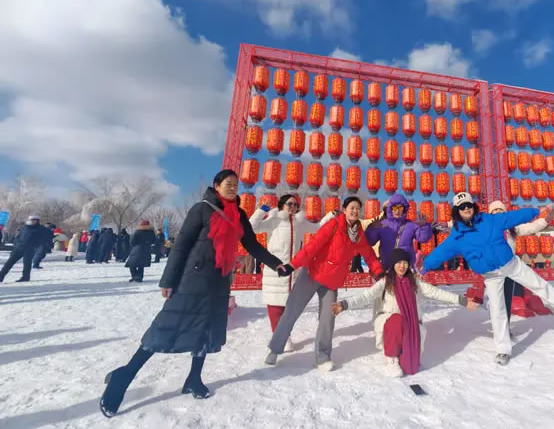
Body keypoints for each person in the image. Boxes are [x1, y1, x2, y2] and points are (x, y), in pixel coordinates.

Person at [100, 170, 284, 418]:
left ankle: (193, 378)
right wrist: (168, 280)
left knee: (205, 330)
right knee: (166, 328)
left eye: (235, 185)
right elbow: (182, 245)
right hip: (192, 279)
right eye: (228, 184)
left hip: (219, 280)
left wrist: (276, 264)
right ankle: (124, 376)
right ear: (216, 186)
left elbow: (251, 244)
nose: (233, 188)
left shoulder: (239, 214)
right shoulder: (202, 209)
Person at [422, 192, 554, 366]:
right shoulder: (457, 236)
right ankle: (503, 349)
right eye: (462, 207)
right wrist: (425, 267)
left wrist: (537, 211)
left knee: (541, 286)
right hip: (491, 276)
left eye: (468, 205)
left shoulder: (489, 220)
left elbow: (514, 216)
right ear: (456, 211)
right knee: (497, 310)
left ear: (473, 206)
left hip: (511, 265)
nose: (466, 209)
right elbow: (440, 253)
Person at [264, 196, 385, 371]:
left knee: (328, 319)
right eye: (351, 207)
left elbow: (369, 255)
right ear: (344, 210)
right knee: (292, 311)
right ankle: (275, 349)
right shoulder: (333, 225)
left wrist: (378, 271)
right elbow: (312, 247)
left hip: (332, 281)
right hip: (312, 275)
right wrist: (292, 265)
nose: (355, 211)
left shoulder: (358, 234)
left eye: (358, 208)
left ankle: (322, 356)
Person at [332, 248, 478, 377]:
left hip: (411, 324)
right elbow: (365, 297)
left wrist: (463, 301)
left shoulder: (414, 281)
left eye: (405, 263)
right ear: (393, 264)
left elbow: (437, 293)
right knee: (397, 319)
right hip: (389, 321)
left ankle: (405, 353)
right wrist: (344, 305)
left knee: (410, 366)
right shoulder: (386, 281)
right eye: (398, 262)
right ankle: (391, 359)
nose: (402, 266)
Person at [249, 194, 335, 352]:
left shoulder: (300, 222)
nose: (293, 207)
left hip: (293, 269)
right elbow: (252, 227)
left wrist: (330, 215)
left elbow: (317, 228)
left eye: (296, 205)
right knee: (275, 306)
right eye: (290, 204)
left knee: (289, 306)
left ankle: (285, 334)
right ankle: (280, 337)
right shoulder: (274, 220)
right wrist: (262, 210)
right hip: (275, 269)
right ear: (282, 205)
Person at [486, 201, 554, 330]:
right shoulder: (486, 229)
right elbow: (466, 228)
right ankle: (498, 329)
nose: (498, 212)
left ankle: (506, 328)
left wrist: (545, 220)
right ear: (490, 213)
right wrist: (449, 224)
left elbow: (530, 227)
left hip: (509, 268)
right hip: (493, 270)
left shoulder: (512, 228)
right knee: (496, 302)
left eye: (500, 210)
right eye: (495, 210)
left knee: (507, 299)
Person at [365, 193, 432, 269]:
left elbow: (423, 238)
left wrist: (424, 226)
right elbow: (370, 241)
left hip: (405, 267)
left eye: (400, 208)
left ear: (404, 209)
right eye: (394, 208)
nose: (397, 211)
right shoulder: (382, 224)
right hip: (387, 266)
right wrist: (372, 228)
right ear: (390, 208)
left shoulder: (411, 225)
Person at [0, 215, 52, 283]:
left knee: (27, 263)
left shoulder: (42, 229)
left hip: (30, 248)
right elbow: (18, 236)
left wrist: (38, 244)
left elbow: (48, 236)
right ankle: (1, 277)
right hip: (19, 247)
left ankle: (25, 277)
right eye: (31, 220)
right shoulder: (25, 227)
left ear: (37, 221)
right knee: (9, 262)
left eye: (34, 220)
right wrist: (16, 243)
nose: (32, 221)